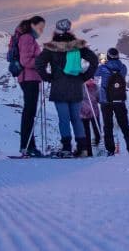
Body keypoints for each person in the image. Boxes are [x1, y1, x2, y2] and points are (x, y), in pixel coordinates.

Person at [35, 19, 98, 156]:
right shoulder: (78, 47)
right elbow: (94, 60)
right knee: (76, 118)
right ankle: (83, 148)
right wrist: (85, 76)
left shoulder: (51, 48)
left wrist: (48, 77)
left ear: (56, 31)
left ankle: (66, 148)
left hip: (59, 87)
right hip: (76, 86)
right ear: (70, 30)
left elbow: (39, 63)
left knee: (64, 119)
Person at [95, 48, 129, 156]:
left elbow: (94, 74)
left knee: (108, 126)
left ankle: (110, 150)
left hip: (106, 101)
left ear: (108, 56)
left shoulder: (103, 68)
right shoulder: (123, 68)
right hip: (120, 100)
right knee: (124, 125)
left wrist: (101, 62)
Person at [15, 15, 46, 157]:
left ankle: (28, 145)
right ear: (32, 25)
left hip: (28, 78)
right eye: (40, 27)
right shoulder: (27, 38)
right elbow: (26, 60)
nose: (41, 30)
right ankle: (27, 146)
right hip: (29, 78)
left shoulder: (27, 37)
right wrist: (41, 63)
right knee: (29, 113)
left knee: (29, 112)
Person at [79, 79, 101, 156]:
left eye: (92, 79)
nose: (91, 81)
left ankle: (98, 145)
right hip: (83, 112)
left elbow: (99, 99)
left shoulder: (96, 88)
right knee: (86, 132)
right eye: (89, 79)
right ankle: (88, 151)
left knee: (97, 129)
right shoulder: (81, 87)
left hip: (94, 112)